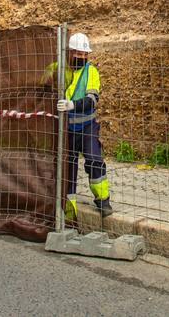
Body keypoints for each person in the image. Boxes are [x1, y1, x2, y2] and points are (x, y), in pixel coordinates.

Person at [55, 32, 113, 218]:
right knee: (68, 167)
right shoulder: (59, 69)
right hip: (66, 129)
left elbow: (92, 100)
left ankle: (102, 200)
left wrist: (73, 105)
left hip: (87, 126)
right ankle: (69, 211)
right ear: (70, 52)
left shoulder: (91, 71)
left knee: (94, 159)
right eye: (78, 53)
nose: (82, 57)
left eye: (85, 54)